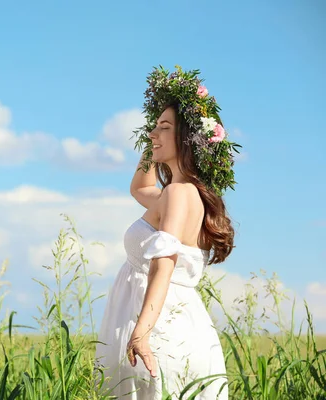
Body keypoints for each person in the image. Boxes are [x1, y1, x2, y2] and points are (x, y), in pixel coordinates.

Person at [95, 66, 240, 399]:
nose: (152, 134)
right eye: (153, 128)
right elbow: (139, 186)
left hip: (160, 329)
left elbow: (165, 263)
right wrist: (156, 142)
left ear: (187, 138)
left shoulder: (177, 194)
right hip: (179, 320)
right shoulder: (179, 195)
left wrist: (140, 334)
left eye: (164, 128)